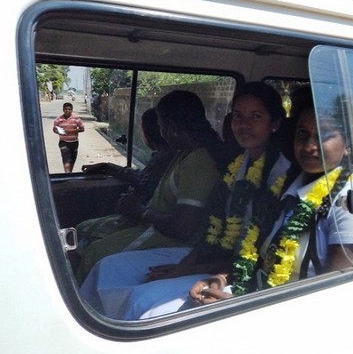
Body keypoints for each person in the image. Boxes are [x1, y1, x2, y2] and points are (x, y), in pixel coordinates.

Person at [79, 82, 291, 319]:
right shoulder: (239, 167)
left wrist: (191, 270)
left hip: (242, 273)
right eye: (238, 116)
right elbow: (213, 232)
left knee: (141, 302)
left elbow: (254, 256)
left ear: (275, 123)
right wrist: (187, 266)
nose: (243, 125)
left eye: (256, 117)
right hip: (214, 259)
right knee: (108, 268)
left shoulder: (281, 179)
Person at [189, 86, 353, 307]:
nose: (309, 146)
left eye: (323, 136)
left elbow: (335, 296)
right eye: (302, 134)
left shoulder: (351, 205)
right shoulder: (286, 188)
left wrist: (238, 304)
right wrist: (219, 279)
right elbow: (259, 257)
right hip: (258, 295)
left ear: (348, 145)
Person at [74, 90, 222, 284]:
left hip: (172, 240)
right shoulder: (183, 154)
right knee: (87, 236)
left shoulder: (199, 161)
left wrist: (139, 211)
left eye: (161, 125)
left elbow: (183, 227)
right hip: (155, 228)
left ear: (171, 126)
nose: (160, 132)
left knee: (96, 253)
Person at [70, 108, 176, 270]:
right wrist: (108, 167)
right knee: (81, 229)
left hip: (147, 225)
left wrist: (134, 207)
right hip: (139, 219)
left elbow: (146, 183)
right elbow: (140, 177)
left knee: (93, 249)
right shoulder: (161, 157)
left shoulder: (169, 160)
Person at [53, 102, 85, 172]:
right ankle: (67, 174)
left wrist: (72, 131)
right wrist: (59, 131)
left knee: (72, 160)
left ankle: (70, 173)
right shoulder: (59, 119)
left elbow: (82, 129)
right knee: (66, 159)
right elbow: (54, 129)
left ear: (72, 110)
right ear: (63, 110)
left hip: (74, 142)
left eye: (69, 109)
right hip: (63, 142)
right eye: (65, 109)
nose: (67, 111)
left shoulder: (76, 118)